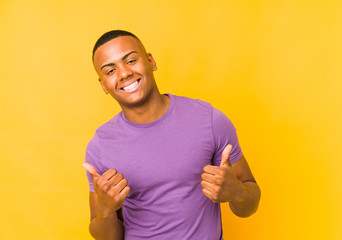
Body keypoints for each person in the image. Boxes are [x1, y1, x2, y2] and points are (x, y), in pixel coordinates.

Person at [82, 30, 261, 240]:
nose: (123, 74)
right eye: (110, 71)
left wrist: (236, 192)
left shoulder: (210, 120)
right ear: (103, 84)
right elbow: (109, 238)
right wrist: (105, 210)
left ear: (150, 61)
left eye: (130, 60)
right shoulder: (100, 148)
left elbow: (250, 204)